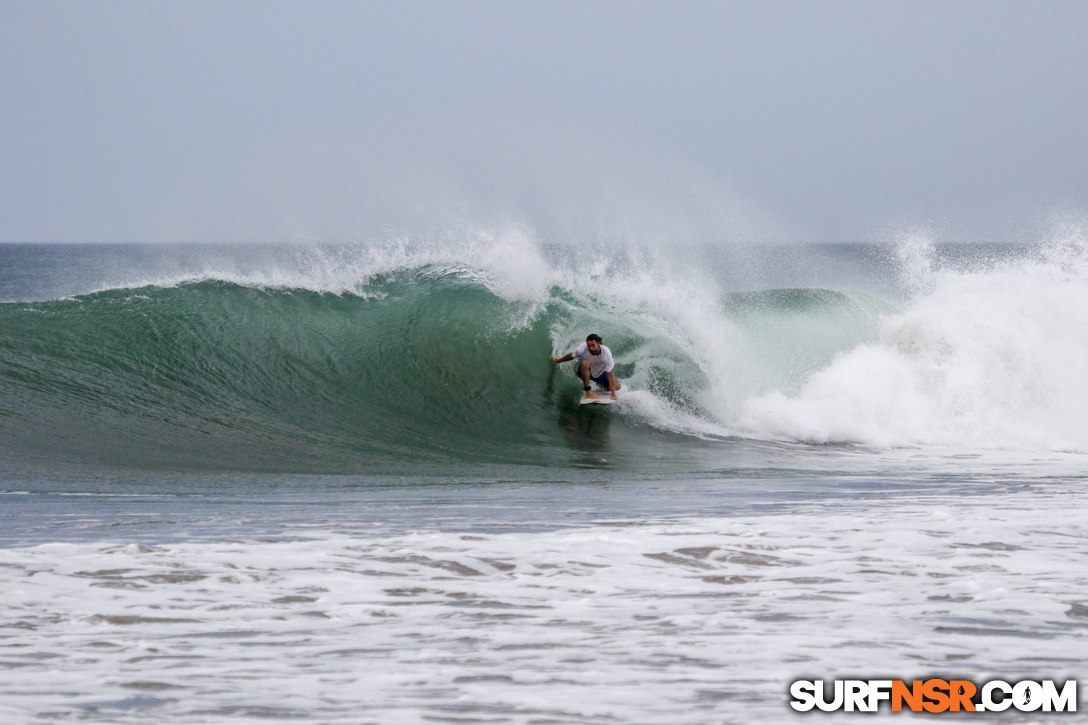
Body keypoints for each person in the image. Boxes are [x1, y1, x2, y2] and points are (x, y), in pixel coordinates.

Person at [549, 333, 621, 400]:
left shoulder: (606, 353)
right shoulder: (582, 349)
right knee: (585, 362)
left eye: (593, 345)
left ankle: (602, 386)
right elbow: (571, 356)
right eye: (589, 346)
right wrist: (558, 360)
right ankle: (588, 391)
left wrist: (613, 395)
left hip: (597, 372)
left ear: (599, 343)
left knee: (617, 386)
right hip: (580, 369)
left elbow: (610, 374)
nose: (591, 348)